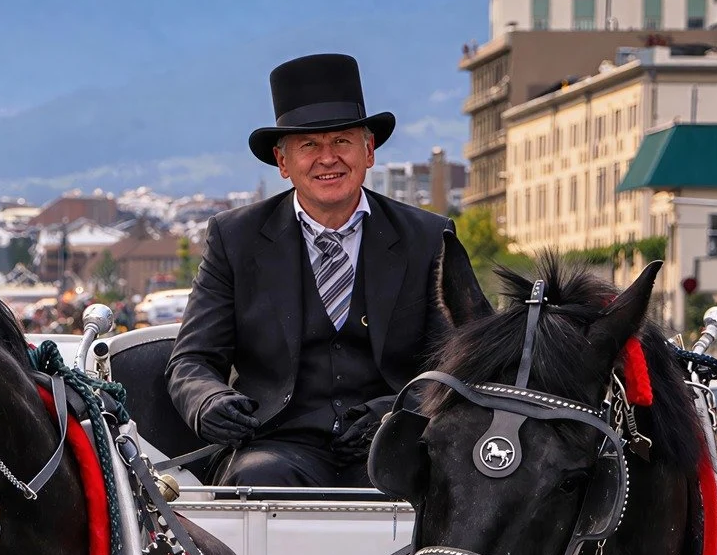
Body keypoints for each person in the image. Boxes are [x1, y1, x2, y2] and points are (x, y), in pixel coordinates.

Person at [167, 52, 489, 487]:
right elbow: (192, 360)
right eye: (309, 146)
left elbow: (466, 361)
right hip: (275, 444)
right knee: (257, 479)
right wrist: (208, 402)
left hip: (395, 442)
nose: (327, 158)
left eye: (342, 141)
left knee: (428, 484)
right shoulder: (234, 237)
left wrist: (397, 411)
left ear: (368, 150)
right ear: (283, 164)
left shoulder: (429, 238)